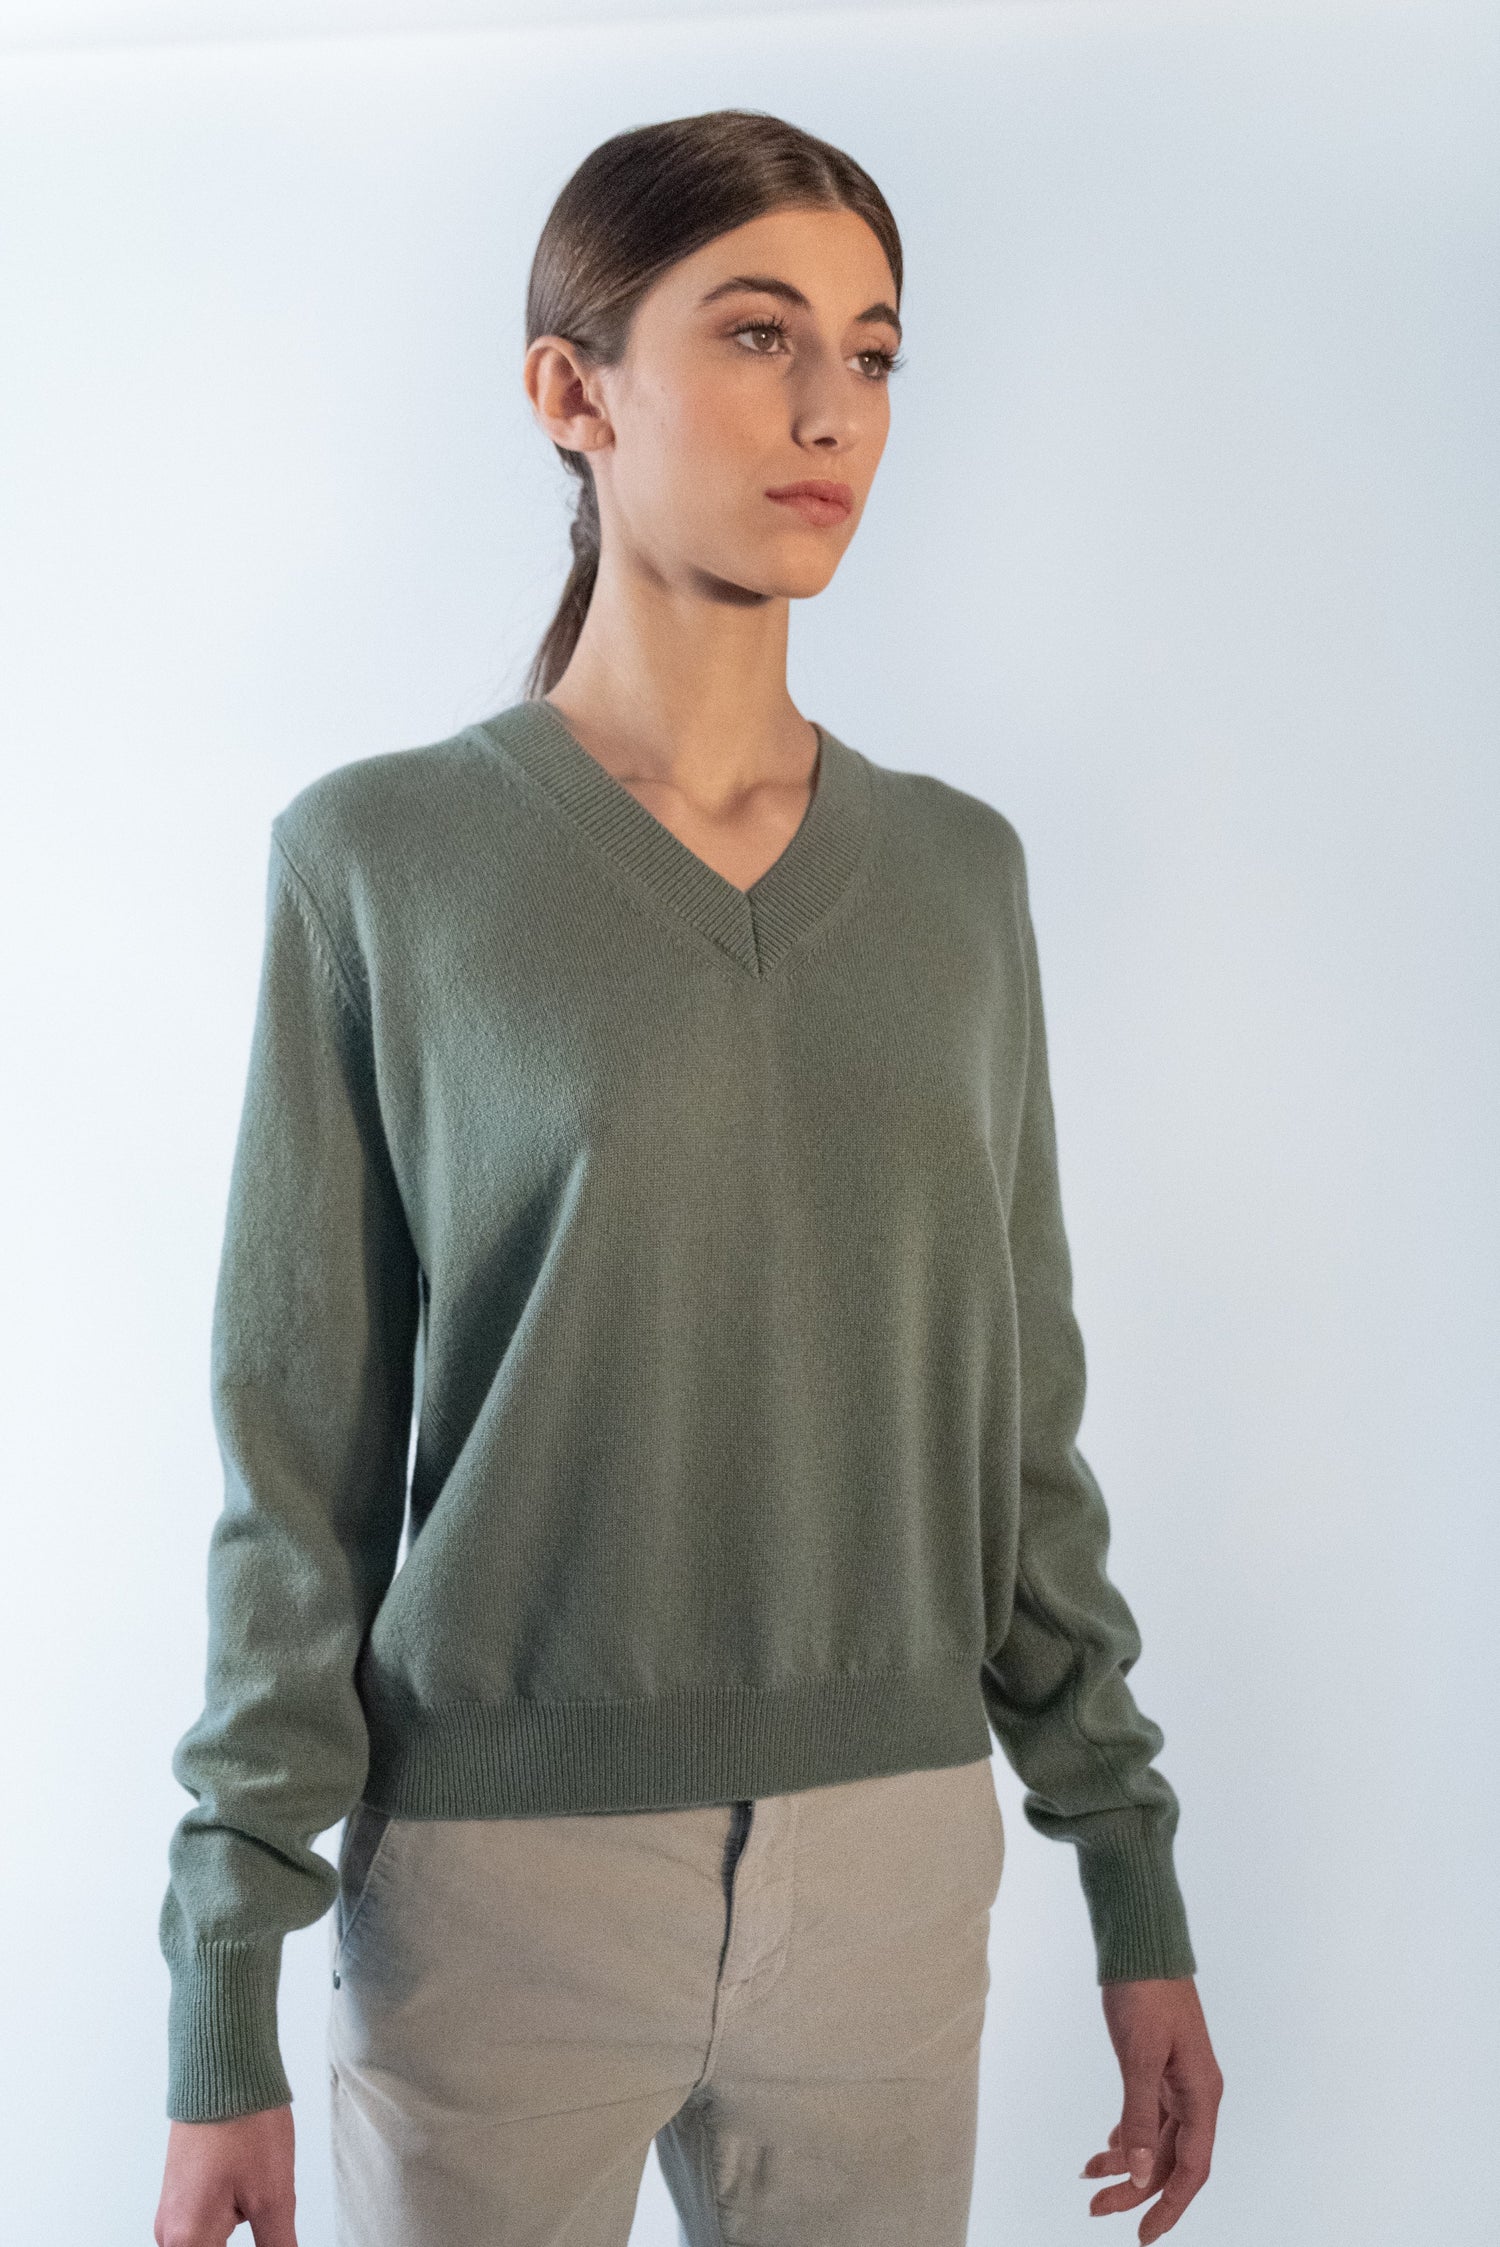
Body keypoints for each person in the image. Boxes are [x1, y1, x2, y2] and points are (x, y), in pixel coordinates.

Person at [153, 107, 1222, 2247]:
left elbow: (1019, 1423)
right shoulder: (380, 866)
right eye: (755, 333)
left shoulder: (960, 881)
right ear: (573, 390)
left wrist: (1131, 1870)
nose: (833, 409)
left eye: (874, 351)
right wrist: (224, 1983)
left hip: (894, 1875)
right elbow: (300, 1466)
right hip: (499, 1893)